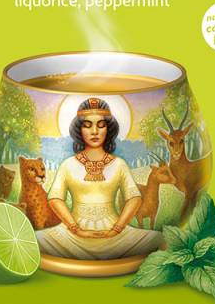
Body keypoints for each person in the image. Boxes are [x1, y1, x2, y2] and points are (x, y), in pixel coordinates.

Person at [36, 97, 163, 260]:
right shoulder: (68, 164)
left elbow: (134, 199)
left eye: (101, 125)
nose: (94, 131)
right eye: (87, 125)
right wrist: (75, 228)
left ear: (109, 129)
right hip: (73, 235)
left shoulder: (119, 164)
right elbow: (55, 199)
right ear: (79, 129)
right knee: (37, 240)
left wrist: (117, 229)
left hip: (115, 234)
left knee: (157, 239)